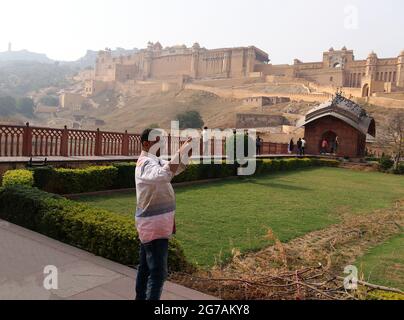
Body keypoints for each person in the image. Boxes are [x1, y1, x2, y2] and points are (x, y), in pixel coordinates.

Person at [135, 128, 192, 300]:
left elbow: (175, 168)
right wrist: (179, 153)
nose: (162, 144)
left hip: (154, 225)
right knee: (158, 274)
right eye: (157, 141)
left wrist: (184, 153)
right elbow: (164, 175)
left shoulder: (155, 161)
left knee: (145, 268)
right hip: (154, 227)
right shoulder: (145, 163)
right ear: (146, 144)